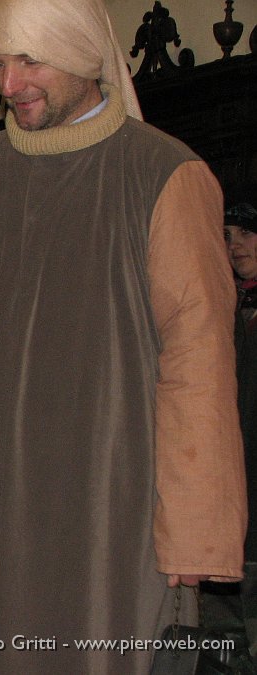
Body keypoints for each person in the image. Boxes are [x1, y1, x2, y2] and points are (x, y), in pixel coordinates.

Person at [0, 0, 245, 672]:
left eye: (30, 61)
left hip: (101, 499)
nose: (7, 84)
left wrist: (196, 534)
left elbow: (198, 359)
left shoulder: (165, 175)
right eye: (0, 63)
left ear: (85, 56)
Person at [201, 187, 257, 668]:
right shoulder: (224, 302)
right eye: (228, 234)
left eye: (247, 232)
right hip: (228, 479)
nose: (236, 243)